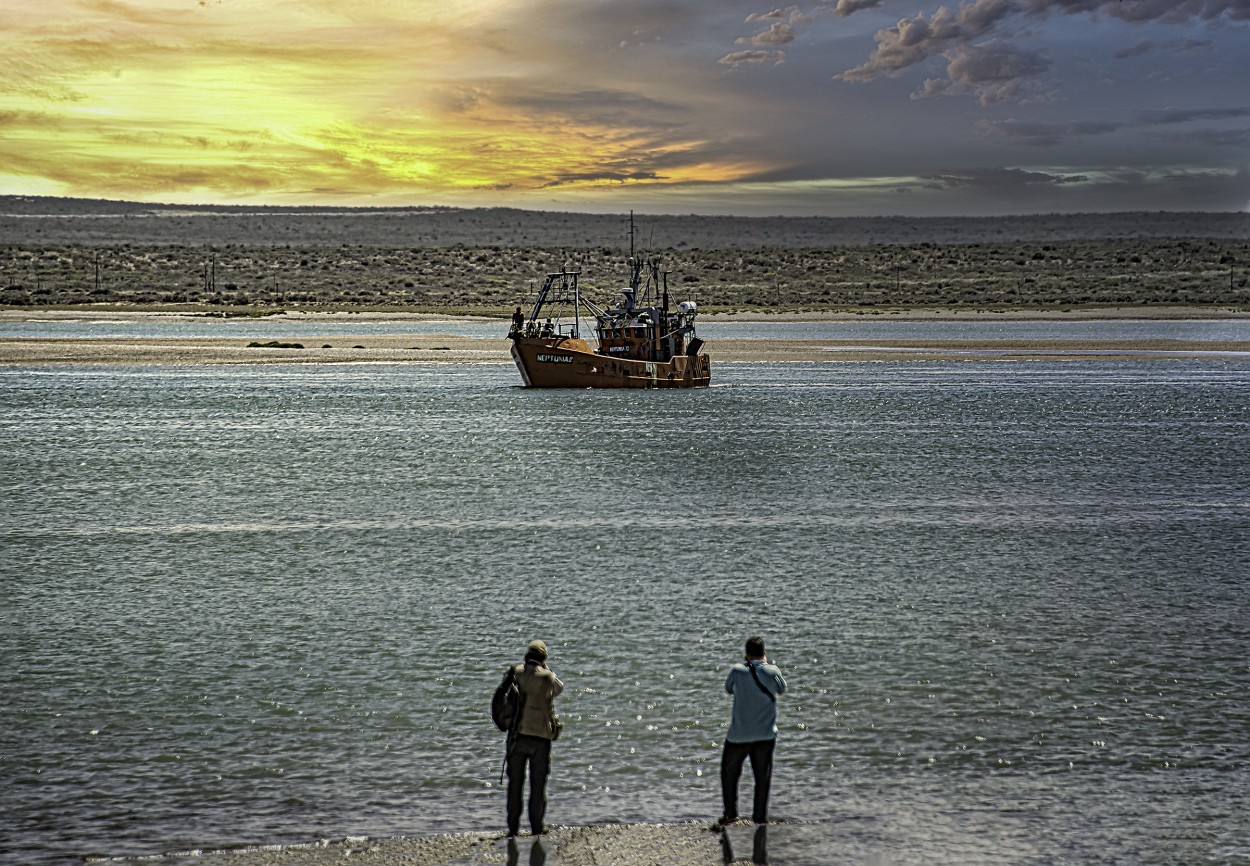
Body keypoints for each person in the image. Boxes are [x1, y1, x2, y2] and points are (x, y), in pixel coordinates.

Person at [718, 636, 786, 828]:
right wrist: (767, 666)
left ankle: (731, 814)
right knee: (762, 778)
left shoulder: (737, 671)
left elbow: (728, 689)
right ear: (764, 652)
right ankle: (759, 817)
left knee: (729, 774)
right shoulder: (773, 671)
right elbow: (781, 689)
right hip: (765, 735)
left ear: (746, 654)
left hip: (738, 735)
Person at [505, 639, 563, 838]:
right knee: (538, 786)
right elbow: (559, 689)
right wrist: (546, 669)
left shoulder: (516, 673)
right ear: (544, 658)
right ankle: (537, 827)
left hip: (517, 736)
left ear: (526, 656)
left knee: (515, 785)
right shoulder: (547, 677)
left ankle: (513, 828)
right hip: (540, 737)